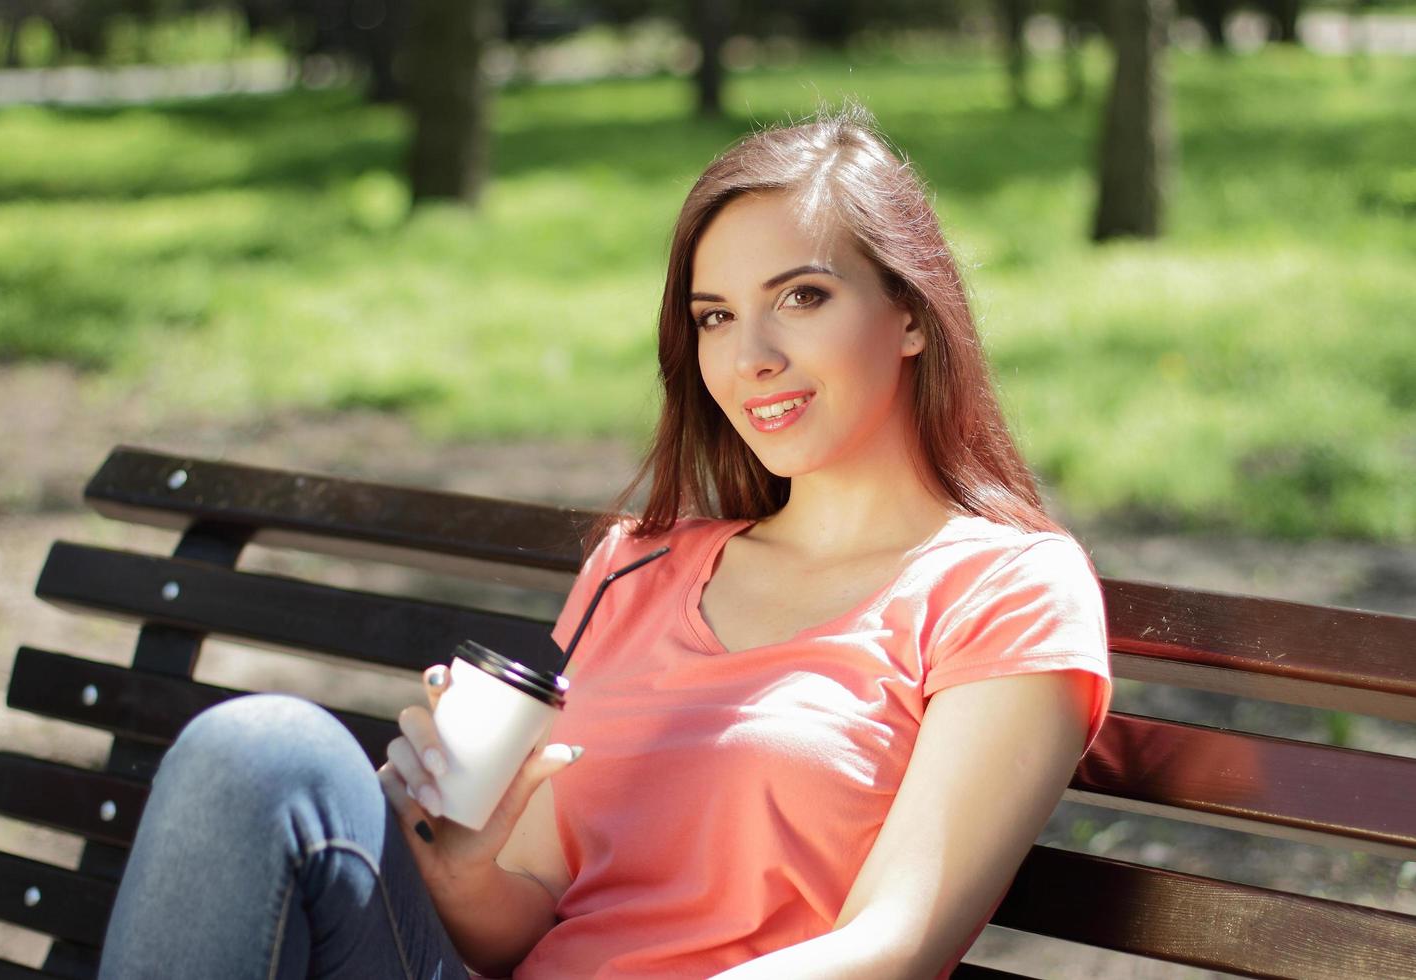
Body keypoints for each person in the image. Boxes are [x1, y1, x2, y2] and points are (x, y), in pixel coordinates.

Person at [97, 105, 1111, 980]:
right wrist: (462, 870)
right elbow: (531, 905)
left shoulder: (1005, 587)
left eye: (802, 297)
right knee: (259, 750)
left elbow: (894, 942)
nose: (751, 357)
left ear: (910, 315)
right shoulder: (641, 566)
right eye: (715, 316)